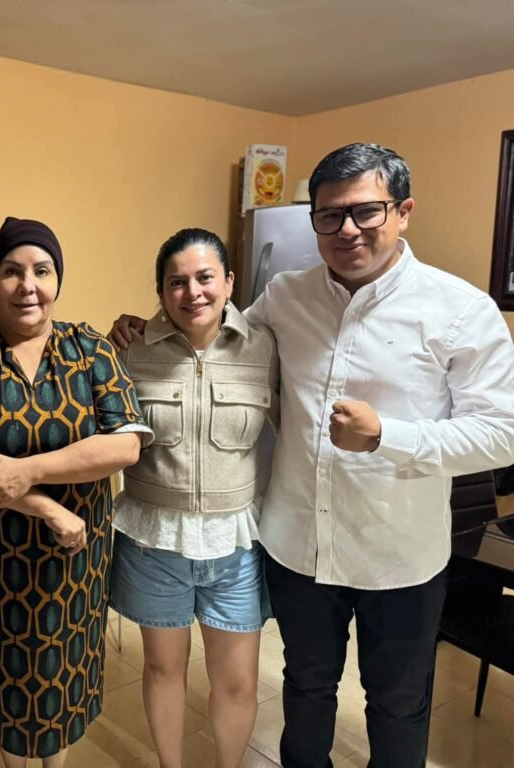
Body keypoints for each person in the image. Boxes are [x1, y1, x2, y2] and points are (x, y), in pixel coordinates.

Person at [109, 143, 514, 767]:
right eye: (330, 215)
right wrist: (144, 328)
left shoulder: (460, 310)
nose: (347, 229)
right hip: (299, 548)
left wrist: (387, 435)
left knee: (397, 705)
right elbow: (216, 341)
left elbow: (500, 434)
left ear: (403, 211)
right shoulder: (285, 297)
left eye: (366, 211)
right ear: (315, 221)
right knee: (306, 689)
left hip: (397, 554)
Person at [0, 217, 152, 767]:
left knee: (61, 672)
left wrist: (27, 471)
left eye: (41, 271)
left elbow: (125, 445)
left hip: (73, 562)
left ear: (57, 281)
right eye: (11, 271)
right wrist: (45, 506)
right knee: (3, 674)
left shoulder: (89, 350)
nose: (27, 285)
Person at [109, 228, 276, 768]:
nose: (192, 292)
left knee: (238, 681)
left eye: (205, 277)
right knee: (163, 670)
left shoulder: (265, 348)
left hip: (235, 544)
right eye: (176, 282)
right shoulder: (129, 350)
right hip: (153, 540)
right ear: (160, 291)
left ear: (229, 281)